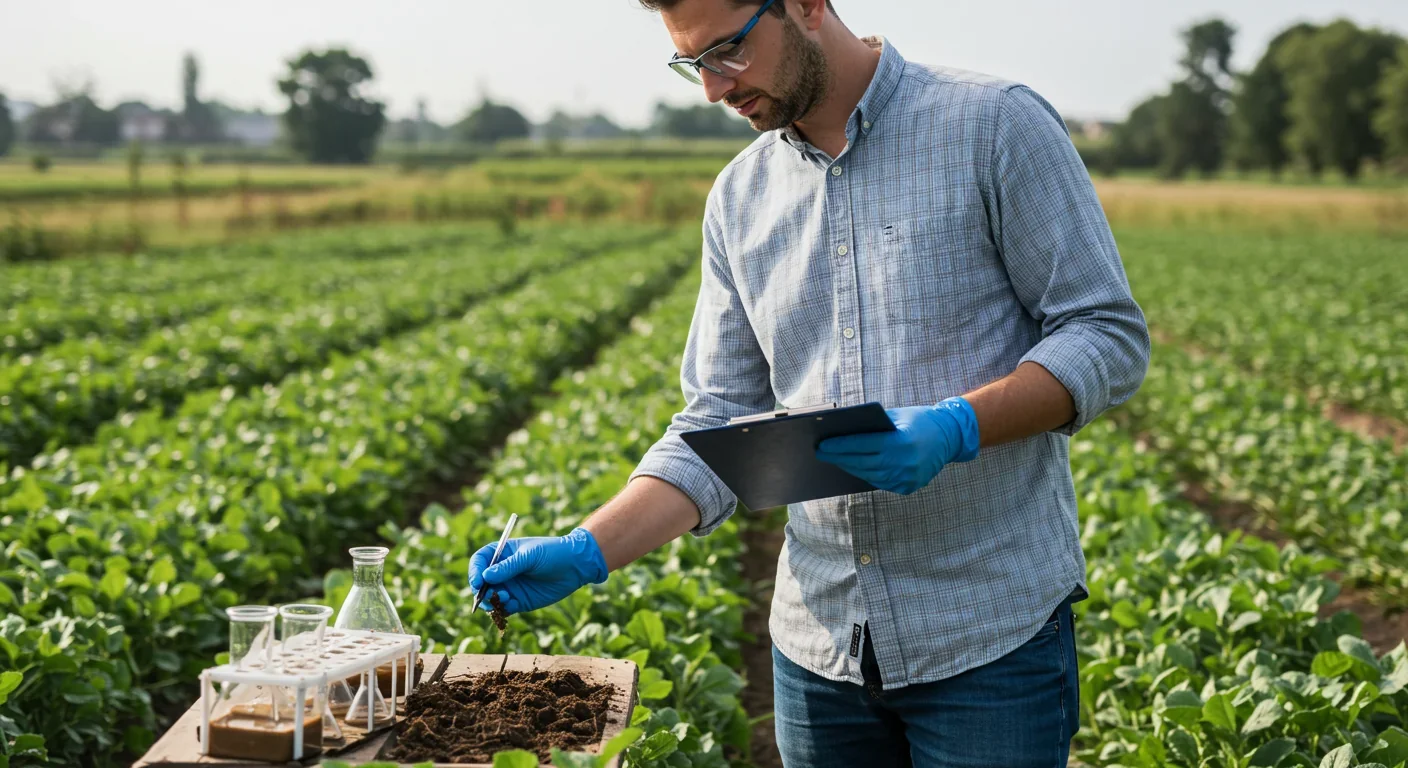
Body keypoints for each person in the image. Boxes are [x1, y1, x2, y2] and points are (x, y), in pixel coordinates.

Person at [468, 0, 1150, 764]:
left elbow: (1106, 334)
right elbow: (719, 424)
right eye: (693, 63)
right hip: (818, 649)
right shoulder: (739, 199)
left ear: (804, 6)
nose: (713, 90)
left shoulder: (994, 126)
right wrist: (586, 549)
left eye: (727, 51)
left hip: (986, 637)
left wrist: (960, 425)